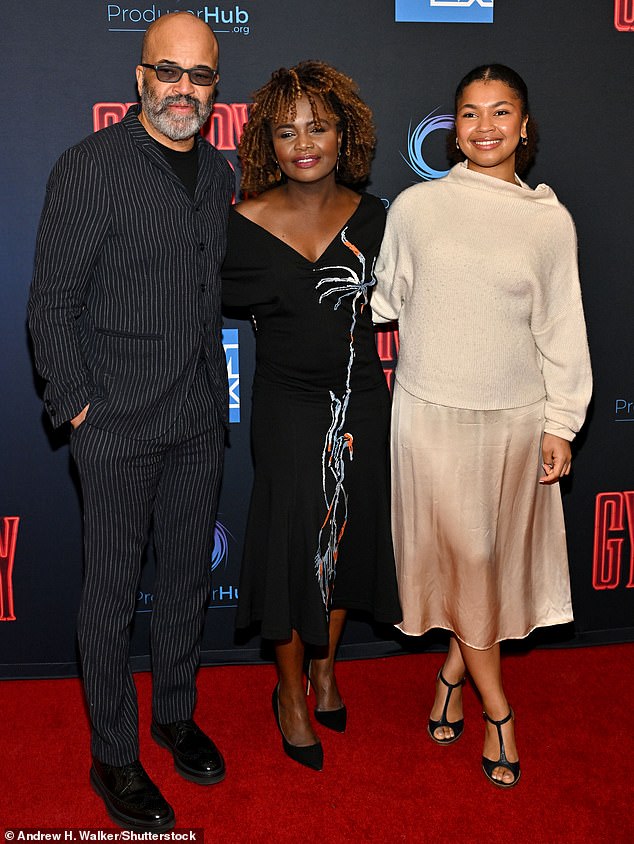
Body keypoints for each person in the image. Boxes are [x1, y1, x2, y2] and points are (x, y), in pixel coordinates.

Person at [28, 12, 233, 830]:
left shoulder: (219, 173)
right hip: (114, 421)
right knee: (111, 597)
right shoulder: (90, 168)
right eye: (169, 72)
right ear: (140, 79)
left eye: (202, 75)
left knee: (185, 580)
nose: (185, 88)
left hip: (195, 416)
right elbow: (51, 302)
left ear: (216, 88)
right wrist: (78, 406)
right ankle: (114, 754)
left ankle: (174, 715)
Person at [372, 64, 592, 788]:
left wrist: (562, 422)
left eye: (502, 113)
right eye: (471, 113)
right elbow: (382, 301)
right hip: (430, 417)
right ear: (452, 127)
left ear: (524, 128)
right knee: (469, 555)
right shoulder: (414, 208)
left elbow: (562, 329)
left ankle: (451, 673)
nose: (486, 127)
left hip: (518, 422)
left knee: (486, 564)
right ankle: (499, 707)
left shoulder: (548, 222)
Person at [222, 61, 401, 771]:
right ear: (268, 140)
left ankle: (326, 668)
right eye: (288, 129)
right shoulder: (239, 225)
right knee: (295, 547)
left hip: (362, 398)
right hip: (288, 408)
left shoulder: (377, 216)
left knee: (345, 538)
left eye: (318, 127)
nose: (304, 142)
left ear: (342, 133)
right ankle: (290, 692)